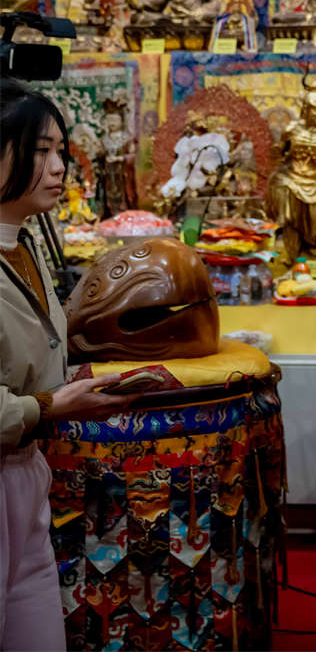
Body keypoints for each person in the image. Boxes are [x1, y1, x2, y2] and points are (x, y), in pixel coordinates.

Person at [1, 80, 137, 651]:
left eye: (60, 150)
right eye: (40, 151)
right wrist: (50, 404)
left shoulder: (24, 245)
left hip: (24, 467)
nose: (59, 167)